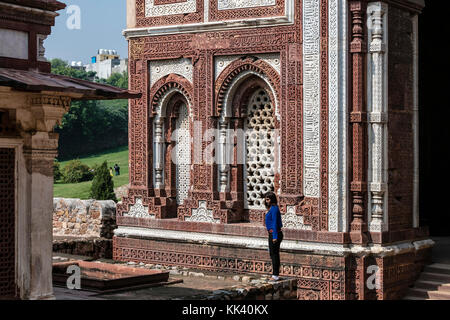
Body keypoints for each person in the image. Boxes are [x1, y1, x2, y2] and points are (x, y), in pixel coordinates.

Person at [264, 192, 283, 281]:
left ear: (272, 199)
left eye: (268, 199)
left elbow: (275, 223)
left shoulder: (274, 209)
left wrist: (275, 236)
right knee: (272, 254)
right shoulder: (271, 209)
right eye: (266, 199)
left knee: (275, 255)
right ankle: (274, 274)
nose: (266, 201)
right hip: (271, 233)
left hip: (275, 234)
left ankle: (275, 275)